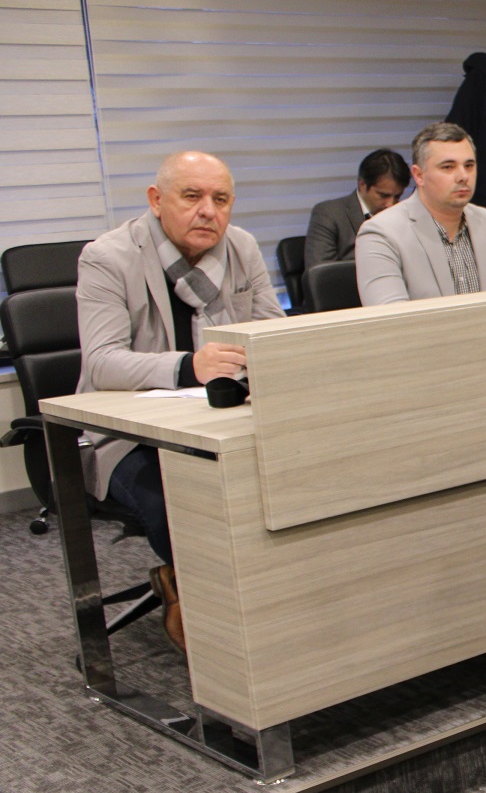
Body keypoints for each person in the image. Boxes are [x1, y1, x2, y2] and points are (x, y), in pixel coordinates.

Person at [74, 151, 285, 652]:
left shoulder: (241, 247)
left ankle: (270, 605)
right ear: (156, 200)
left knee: (284, 480)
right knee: (183, 501)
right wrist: (189, 366)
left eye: (221, 199)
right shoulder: (108, 257)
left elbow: (272, 332)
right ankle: (214, 616)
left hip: (221, 419)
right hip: (128, 434)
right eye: (192, 197)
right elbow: (102, 362)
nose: (208, 211)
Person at [355, 122, 486, 305]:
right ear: (419, 175)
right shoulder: (381, 234)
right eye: (448, 167)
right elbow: (391, 321)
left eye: (469, 166)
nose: (463, 176)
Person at [302, 149, 410, 272]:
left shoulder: (404, 217)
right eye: (383, 196)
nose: (391, 204)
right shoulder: (329, 214)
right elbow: (321, 275)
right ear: (362, 185)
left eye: (397, 196)